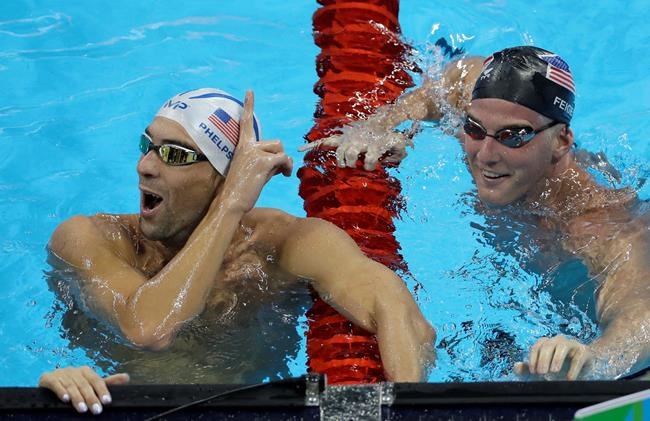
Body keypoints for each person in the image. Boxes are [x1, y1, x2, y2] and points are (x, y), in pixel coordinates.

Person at [39, 88, 435, 414]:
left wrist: (407, 407)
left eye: (174, 155)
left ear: (223, 177)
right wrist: (229, 203)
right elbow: (148, 328)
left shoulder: (277, 244)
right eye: (148, 145)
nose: (145, 165)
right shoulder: (89, 239)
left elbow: (398, 311)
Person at [302, 46, 650, 381]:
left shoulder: (593, 222)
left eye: (513, 137)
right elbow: (447, 84)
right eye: (473, 129)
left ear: (561, 141)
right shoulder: (486, 108)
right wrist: (382, 125)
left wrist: (591, 360)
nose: (485, 155)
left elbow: (639, 313)